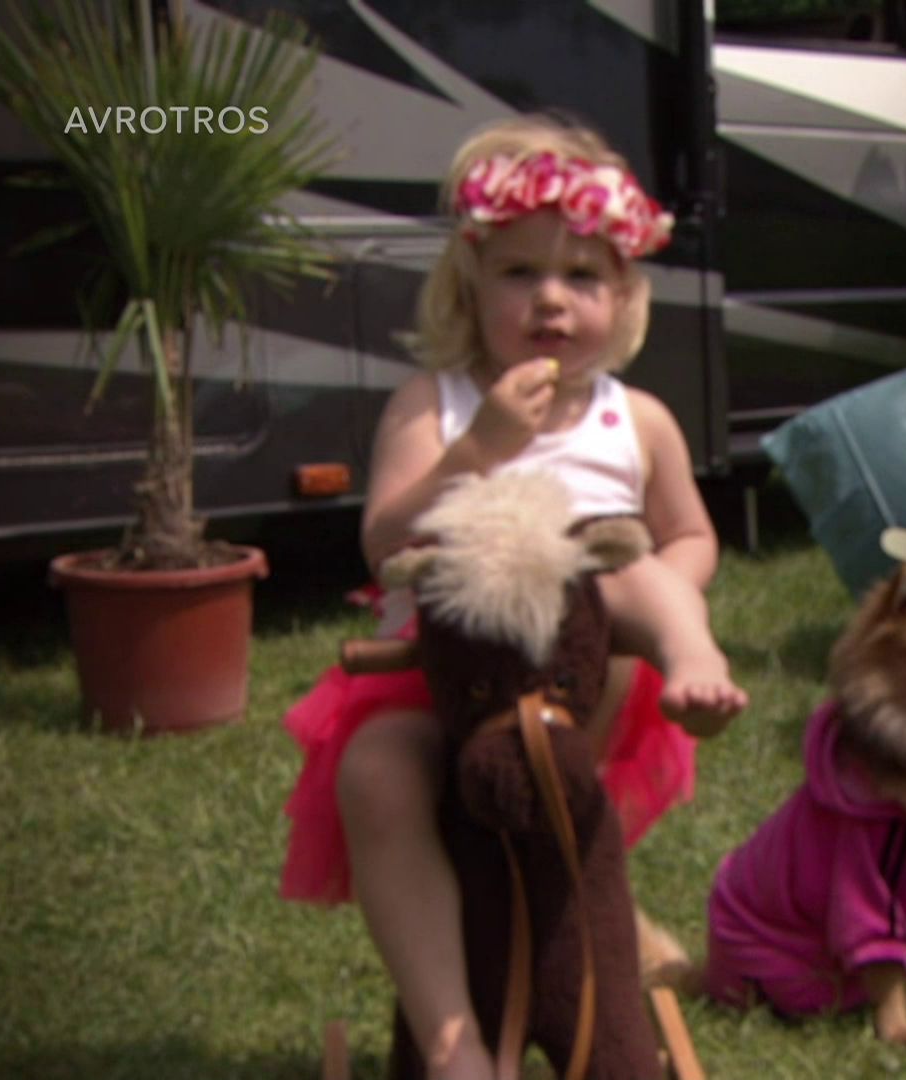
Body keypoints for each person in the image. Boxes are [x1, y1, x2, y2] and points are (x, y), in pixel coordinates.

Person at [278, 114, 746, 1080]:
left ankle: (694, 656)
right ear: (470, 283)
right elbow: (385, 539)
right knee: (376, 773)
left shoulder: (636, 420)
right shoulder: (436, 402)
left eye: (582, 277)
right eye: (520, 273)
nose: (551, 299)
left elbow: (693, 536)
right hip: (439, 679)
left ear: (624, 296)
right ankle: (453, 1038)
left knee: (606, 558)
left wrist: (661, 600)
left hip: (582, 677)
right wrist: (478, 449)